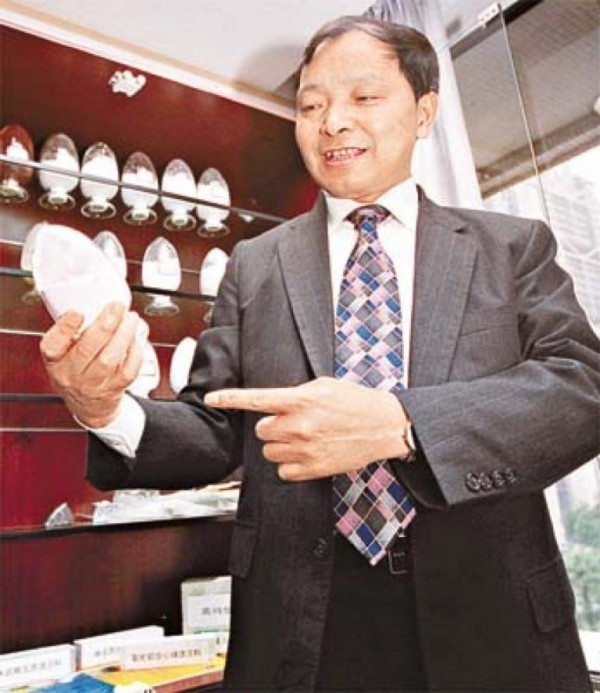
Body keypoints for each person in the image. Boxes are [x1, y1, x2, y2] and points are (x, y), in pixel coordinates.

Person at [40, 15, 599, 693]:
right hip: (302, 626)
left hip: (492, 620)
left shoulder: (511, 246)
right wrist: (104, 407)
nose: (332, 122)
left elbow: (581, 389)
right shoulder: (255, 264)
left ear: (424, 112)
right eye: (310, 105)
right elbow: (217, 426)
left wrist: (401, 423)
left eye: (364, 97)